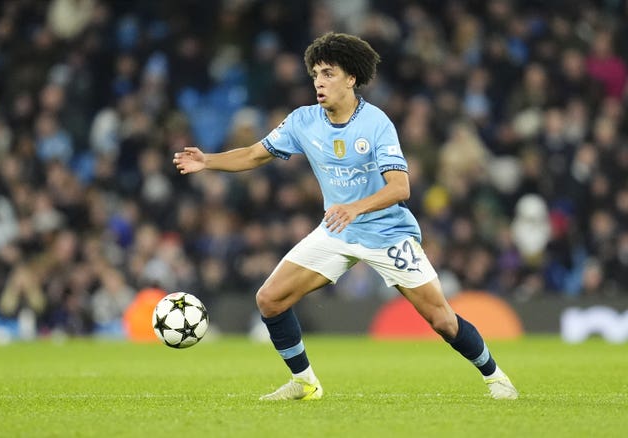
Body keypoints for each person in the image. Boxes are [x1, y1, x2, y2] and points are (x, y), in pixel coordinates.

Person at [173, 32, 518, 401]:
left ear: (351, 78)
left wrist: (355, 207)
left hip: (387, 233)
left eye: (328, 73)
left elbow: (400, 188)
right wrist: (208, 160)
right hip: (337, 230)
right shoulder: (303, 121)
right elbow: (256, 154)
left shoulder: (376, 124)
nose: (319, 82)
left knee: (442, 320)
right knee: (270, 299)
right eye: (315, 75)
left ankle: (495, 377)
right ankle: (305, 383)